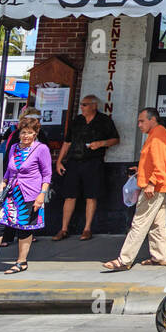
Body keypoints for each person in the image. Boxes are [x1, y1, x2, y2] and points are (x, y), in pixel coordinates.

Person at [0, 114, 51, 276]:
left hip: (30, 193)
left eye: (29, 132)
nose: (25, 136)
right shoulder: (14, 147)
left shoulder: (41, 149)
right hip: (11, 193)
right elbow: (8, 171)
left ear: (35, 133)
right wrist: (1, 186)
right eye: (23, 132)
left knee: (24, 229)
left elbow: (47, 174)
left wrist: (42, 194)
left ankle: (21, 261)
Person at [102, 108, 166, 272]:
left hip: (153, 187)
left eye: (142, 121)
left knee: (139, 222)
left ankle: (124, 259)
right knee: (157, 223)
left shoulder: (157, 135)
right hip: (158, 186)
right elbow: (155, 161)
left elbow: (161, 164)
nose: (139, 124)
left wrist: (151, 182)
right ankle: (160, 256)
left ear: (153, 119)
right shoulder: (157, 134)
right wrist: (141, 170)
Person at [53, 94, 119, 241]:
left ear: (94, 105)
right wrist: (59, 161)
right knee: (69, 195)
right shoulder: (77, 121)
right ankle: (63, 229)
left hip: (93, 162)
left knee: (92, 195)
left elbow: (115, 139)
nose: (82, 107)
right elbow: (67, 142)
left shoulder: (104, 120)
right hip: (74, 161)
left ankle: (87, 228)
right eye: (81, 104)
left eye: (85, 104)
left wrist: (101, 143)